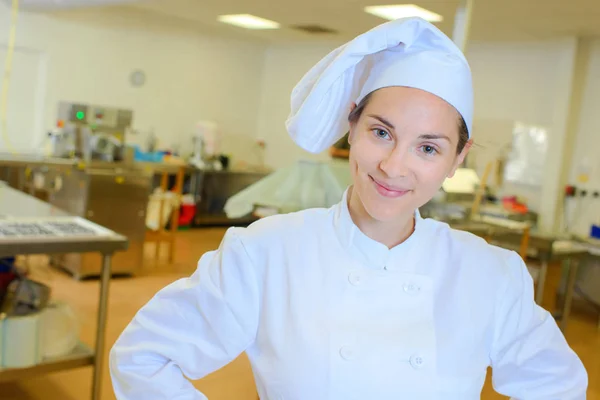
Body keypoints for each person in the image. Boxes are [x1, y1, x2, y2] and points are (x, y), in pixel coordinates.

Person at [110, 17, 587, 399]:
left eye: (428, 147)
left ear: (456, 159)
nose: (394, 166)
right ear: (352, 128)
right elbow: (142, 357)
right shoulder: (265, 253)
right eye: (381, 132)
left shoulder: (490, 274)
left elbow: (559, 387)